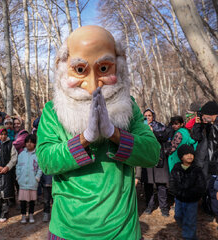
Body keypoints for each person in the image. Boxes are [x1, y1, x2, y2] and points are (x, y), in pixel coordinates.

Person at [36, 26, 160, 239]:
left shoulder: (128, 106)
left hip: (121, 230)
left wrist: (114, 133)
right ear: (63, 68)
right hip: (69, 230)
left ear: (118, 68)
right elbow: (47, 161)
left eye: (103, 69)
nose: (94, 85)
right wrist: (85, 138)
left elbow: (152, 154)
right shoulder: (53, 111)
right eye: (80, 70)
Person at [169, 144, 206, 240]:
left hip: (192, 201)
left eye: (191, 154)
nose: (189, 156)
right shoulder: (176, 169)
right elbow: (172, 183)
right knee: (178, 216)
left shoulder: (197, 170)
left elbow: (201, 185)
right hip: (179, 199)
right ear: (181, 156)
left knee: (190, 220)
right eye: (186, 154)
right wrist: (177, 192)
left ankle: (189, 236)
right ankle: (186, 230)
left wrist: (193, 194)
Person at [191, 101, 218, 219]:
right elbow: (196, 137)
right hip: (205, 160)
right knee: (207, 185)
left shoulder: (215, 125)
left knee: (213, 188)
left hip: (212, 161)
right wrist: (198, 124)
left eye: (203, 115)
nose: (202, 117)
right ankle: (208, 208)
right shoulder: (207, 125)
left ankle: (212, 211)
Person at [142, 108, 170, 217]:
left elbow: (165, 137)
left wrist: (153, 132)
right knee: (148, 184)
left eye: (149, 115)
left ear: (153, 116)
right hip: (146, 158)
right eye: (145, 116)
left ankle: (164, 208)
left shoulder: (160, 126)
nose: (147, 117)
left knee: (161, 185)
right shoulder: (140, 127)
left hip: (159, 158)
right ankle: (149, 206)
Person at [16, 134, 42, 224]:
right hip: (23, 182)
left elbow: (40, 168)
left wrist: (37, 178)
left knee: (31, 201)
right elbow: (18, 167)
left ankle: (31, 215)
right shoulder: (21, 154)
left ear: (35, 144)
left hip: (32, 182)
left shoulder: (37, 155)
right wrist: (18, 177)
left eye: (31, 142)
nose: (29, 144)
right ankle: (23, 215)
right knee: (23, 201)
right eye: (27, 142)